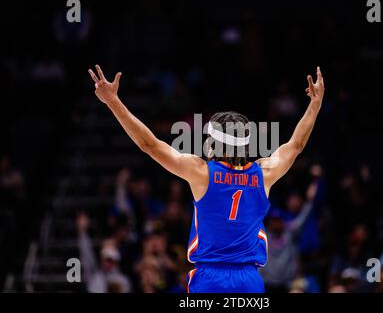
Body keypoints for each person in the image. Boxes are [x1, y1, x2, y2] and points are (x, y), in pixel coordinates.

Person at [88, 64, 325, 293]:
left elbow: (149, 144)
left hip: (210, 278)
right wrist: (314, 104)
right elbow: (296, 145)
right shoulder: (264, 173)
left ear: (214, 143)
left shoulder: (201, 172)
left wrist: (113, 102)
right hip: (250, 279)